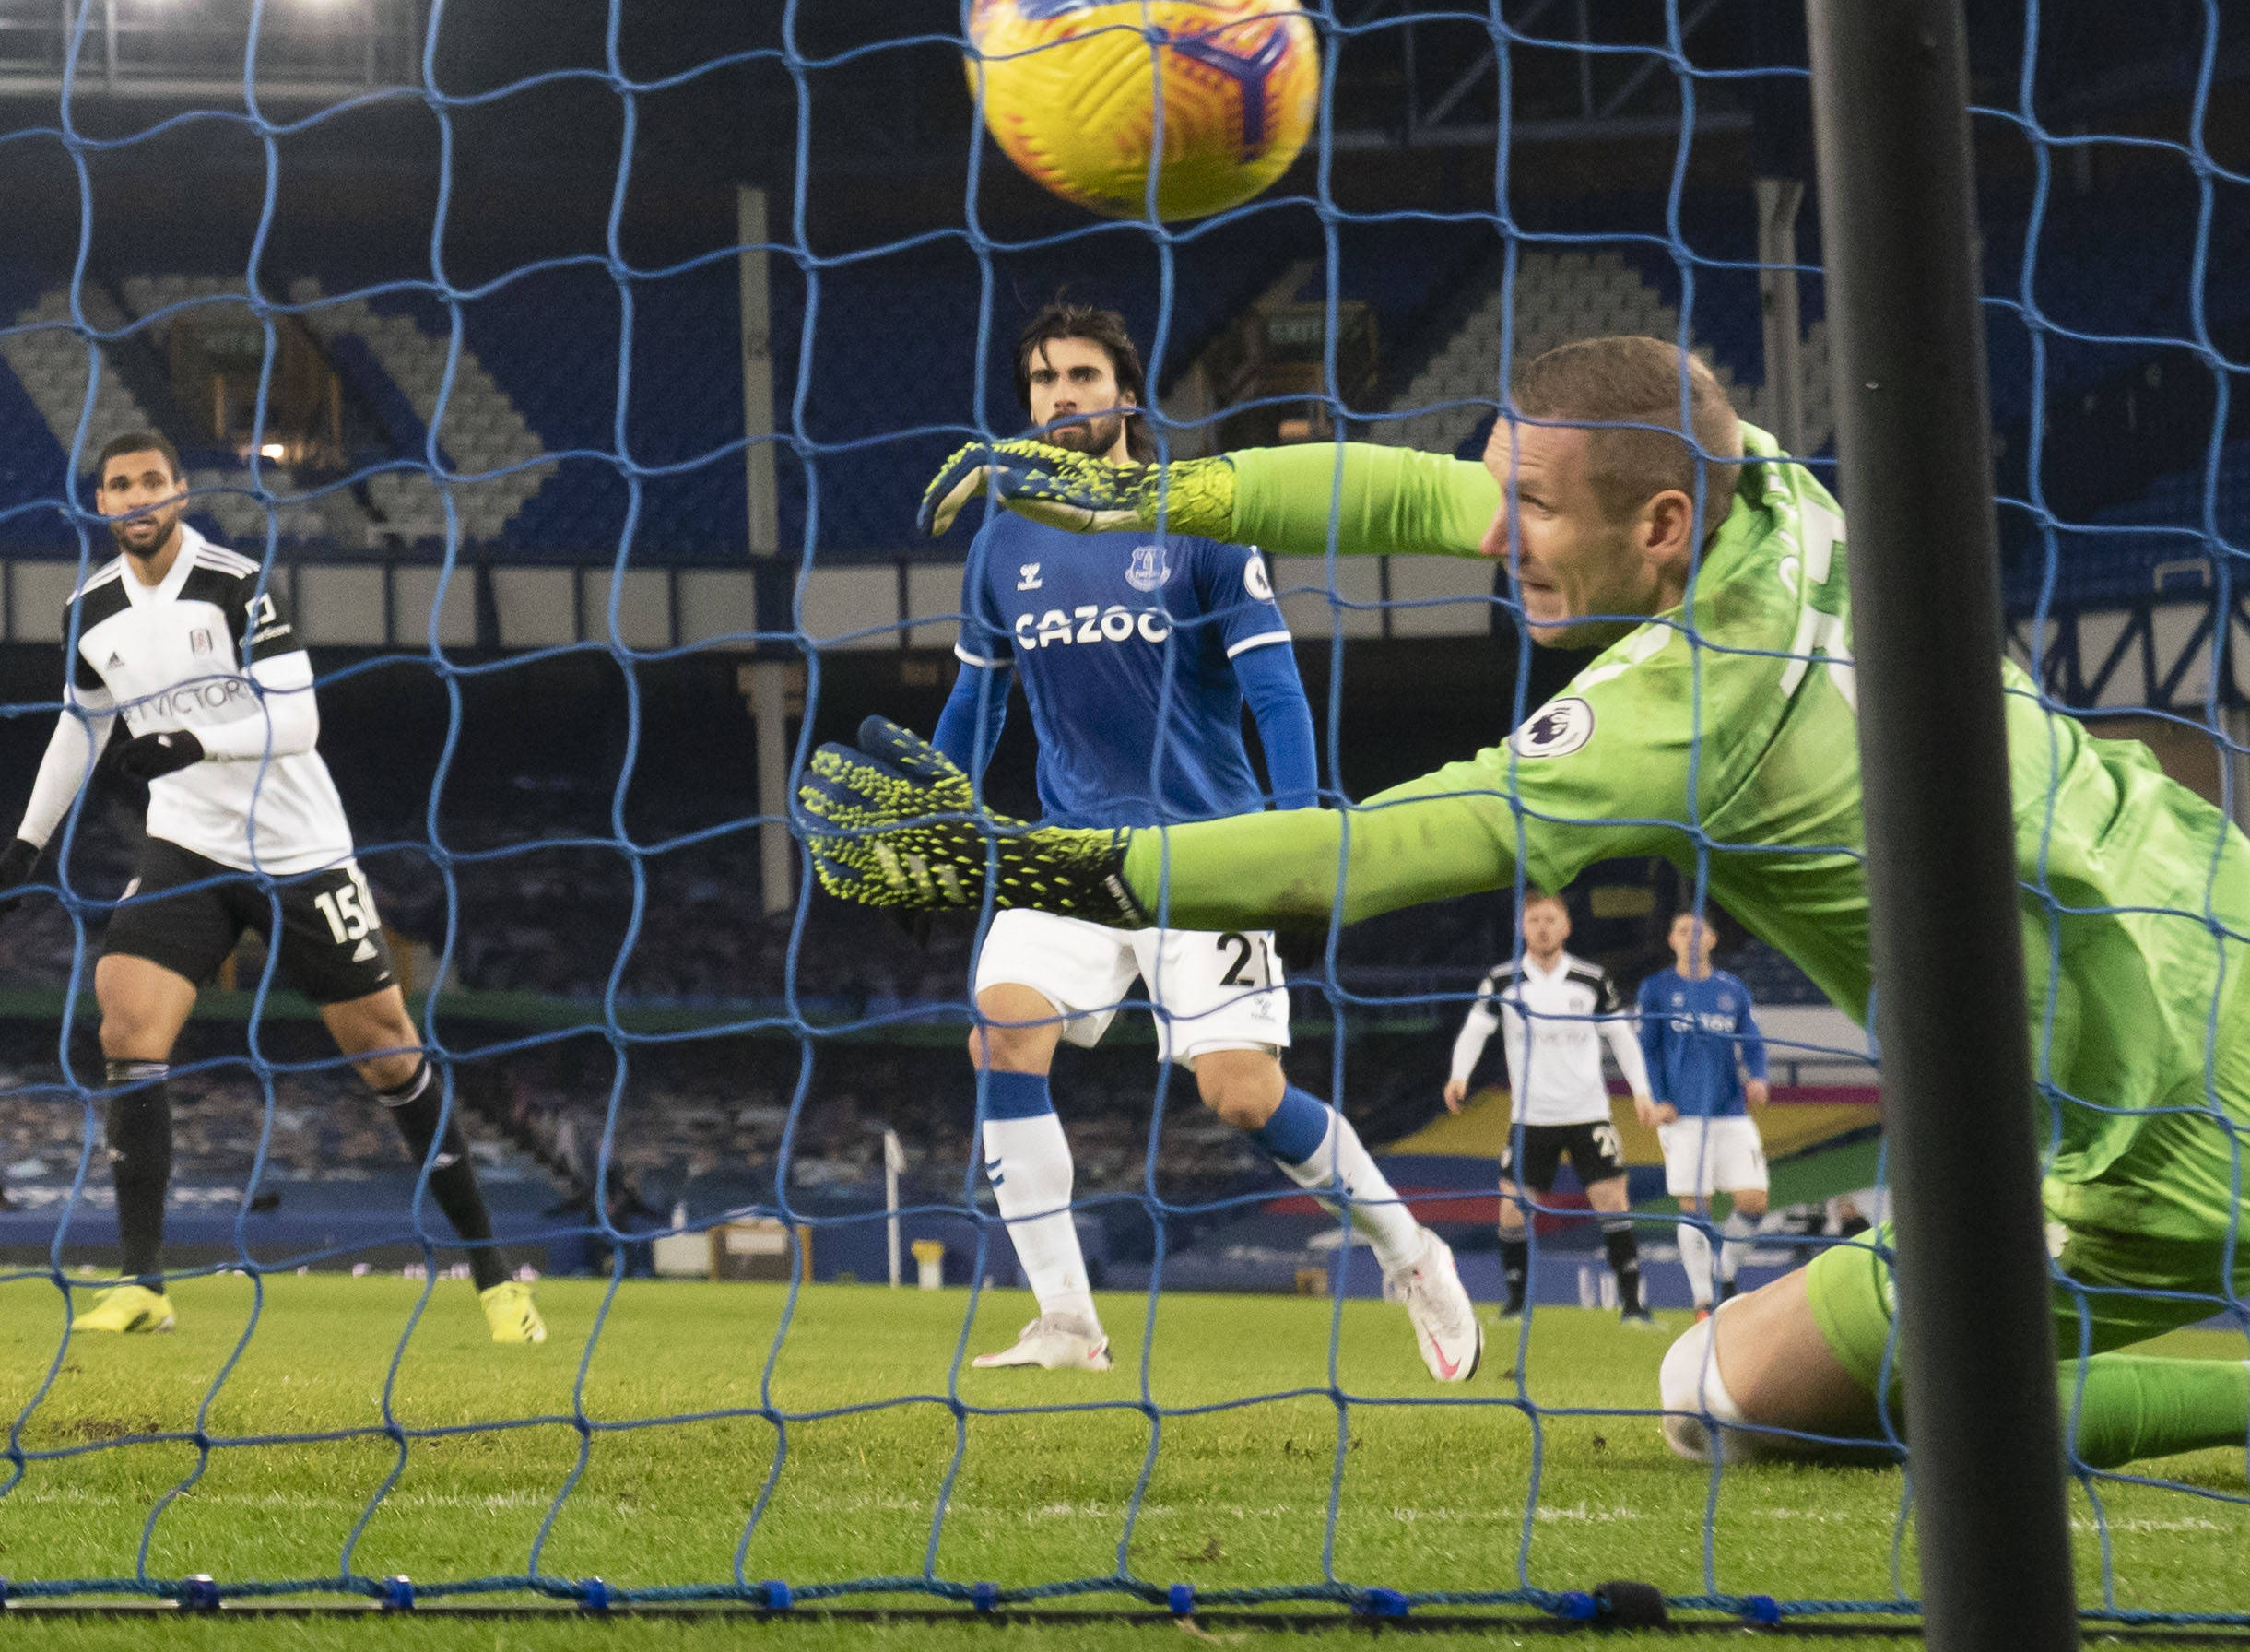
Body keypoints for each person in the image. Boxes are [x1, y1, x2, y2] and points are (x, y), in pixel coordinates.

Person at [811, 335, 2250, 1477]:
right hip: (2218, 908)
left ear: (1662, 525)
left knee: (1722, 1401)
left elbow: (1360, 856)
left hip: (2146, 1151)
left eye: (1542, 512)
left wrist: (1076, 865)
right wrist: (1158, 493)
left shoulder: (1676, 715)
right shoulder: (1789, 499)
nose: (1503, 537)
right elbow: (1430, 497)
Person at [934, 303, 1468, 1382]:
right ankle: (1068, 1321)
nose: (1057, 396)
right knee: (1001, 1032)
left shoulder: (1202, 517)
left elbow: (1274, 687)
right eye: (1040, 380)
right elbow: (977, 702)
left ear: (1128, 393)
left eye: (1080, 375)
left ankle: (1410, 1252)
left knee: (1240, 1093)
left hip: (1207, 852)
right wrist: (935, 811)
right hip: (1071, 853)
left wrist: (1304, 829)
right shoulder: (1002, 539)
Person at [0, 426, 541, 1343]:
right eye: (118, 485)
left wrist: (192, 741)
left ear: (179, 494)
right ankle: (144, 1286)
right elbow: (80, 727)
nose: (136, 497)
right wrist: (27, 840)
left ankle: (494, 1279)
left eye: (151, 481)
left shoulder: (235, 583)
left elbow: (300, 717)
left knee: (389, 1053)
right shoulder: (87, 610)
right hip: (187, 846)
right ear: (102, 503)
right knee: (124, 1015)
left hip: (297, 850)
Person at [1444, 891, 1655, 1330]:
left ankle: (1634, 1306)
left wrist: (1641, 1091)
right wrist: (1459, 1074)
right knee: (1512, 1209)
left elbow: (1620, 1036)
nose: (1542, 927)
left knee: (1613, 1201)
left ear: (1566, 927)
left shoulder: (1591, 978)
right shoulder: (1502, 980)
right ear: (1523, 928)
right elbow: (1476, 1029)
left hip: (1587, 1111)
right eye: (1534, 920)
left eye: (1550, 920)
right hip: (1531, 1116)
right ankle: (1517, 1303)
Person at [1636, 908, 1775, 1313]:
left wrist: (1759, 1076)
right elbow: (1648, 1049)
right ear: (1671, 940)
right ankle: (1702, 1300)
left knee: (1754, 1201)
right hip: (1681, 1116)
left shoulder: (1733, 989)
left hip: (1730, 1110)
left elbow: (1752, 1041)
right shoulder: (1656, 990)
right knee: (1694, 1205)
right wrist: (1658, 1098)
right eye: (1682, 931)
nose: (1691, 938)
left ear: (1713, 939)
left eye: (1698, 932)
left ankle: (1723, 1268)